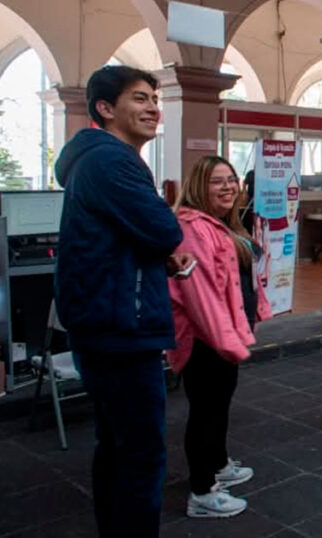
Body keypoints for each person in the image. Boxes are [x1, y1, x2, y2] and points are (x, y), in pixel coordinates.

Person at [55, 65, 193, 537]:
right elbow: (164, 229)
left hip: (105, 319)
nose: (153, 108)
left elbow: (125, 240)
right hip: (120, 327)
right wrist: (163, 241)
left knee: (116, 446)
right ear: (105, 108)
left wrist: (158, 259)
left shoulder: (96, 160)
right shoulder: (111, 161)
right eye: (139, 98)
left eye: (154, 99)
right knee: (140, 454)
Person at [167, 156, 272, 518]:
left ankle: (217, 464)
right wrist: (226, 340)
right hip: (207, 339)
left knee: (219, 405)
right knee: (206, 411)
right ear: (199, 186)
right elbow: (200, 296)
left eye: (231, 179)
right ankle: (202, 493)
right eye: (217, 181)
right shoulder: (192, 227)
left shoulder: (223, 223)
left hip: (226, 333)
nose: (228, 187)